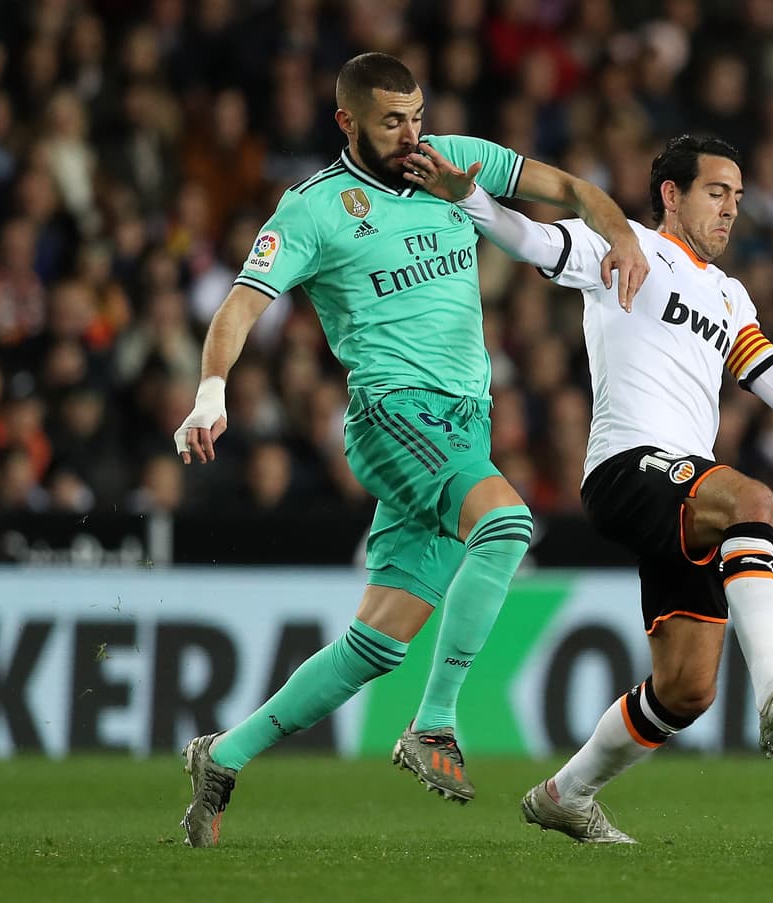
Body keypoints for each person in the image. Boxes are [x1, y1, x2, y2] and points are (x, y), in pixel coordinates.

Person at [405, 134, 773, 843]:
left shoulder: (730, 295)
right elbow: (532, 239)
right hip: (626, 467)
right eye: (716, 192)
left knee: (687, 688)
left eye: (737, 197)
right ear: (671, 193)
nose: (731, 209)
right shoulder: (624, 244)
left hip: (684, 495)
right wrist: (470, 197)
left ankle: (563, 794)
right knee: (754, 499)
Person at [171, 52, 648, 847]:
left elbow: (570, 190)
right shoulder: (314, 209)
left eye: (417, 115)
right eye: (392, 121)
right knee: (505, 523)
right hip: (394, 414)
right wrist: (211, 390)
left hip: (464, 423)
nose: (412, 133)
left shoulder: (456, 162)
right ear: (346, 122)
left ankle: (224, 754)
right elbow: (240, 305)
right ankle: (433, 723)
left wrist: (622, 237)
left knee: (376, 645)